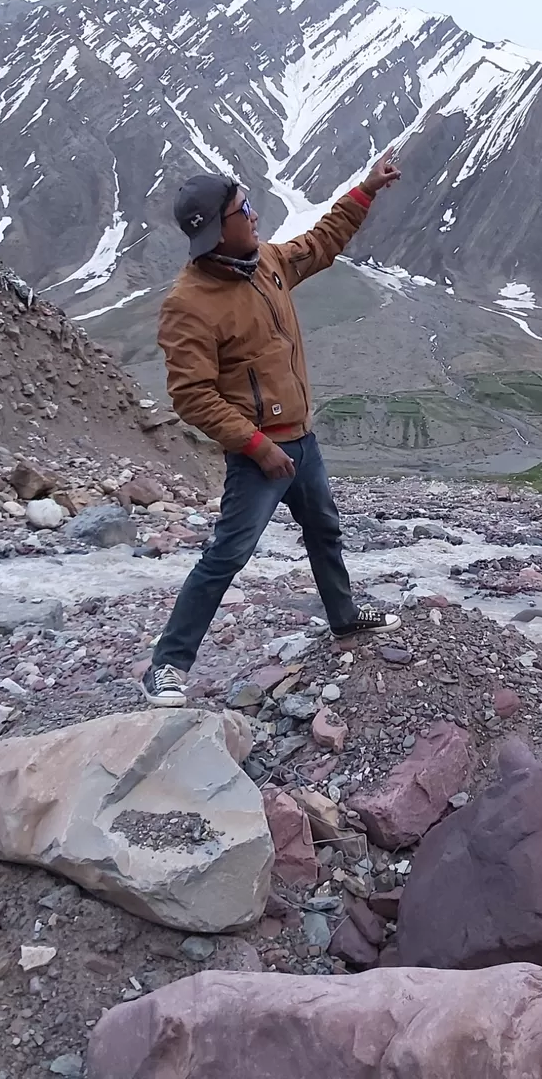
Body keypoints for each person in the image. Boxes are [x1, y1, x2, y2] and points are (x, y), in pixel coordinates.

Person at [141, 150, 404, 706]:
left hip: (302, 443)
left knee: (324, 532)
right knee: (227, 556)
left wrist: (367, 188)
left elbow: (321, 242)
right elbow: (191, 395)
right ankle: (167, 665)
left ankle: (343, 617)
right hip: (261, 456)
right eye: (244, 209)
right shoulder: (188, 304)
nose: (255, 216)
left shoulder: (267, 263)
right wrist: (257, 447)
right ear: (217, 229)